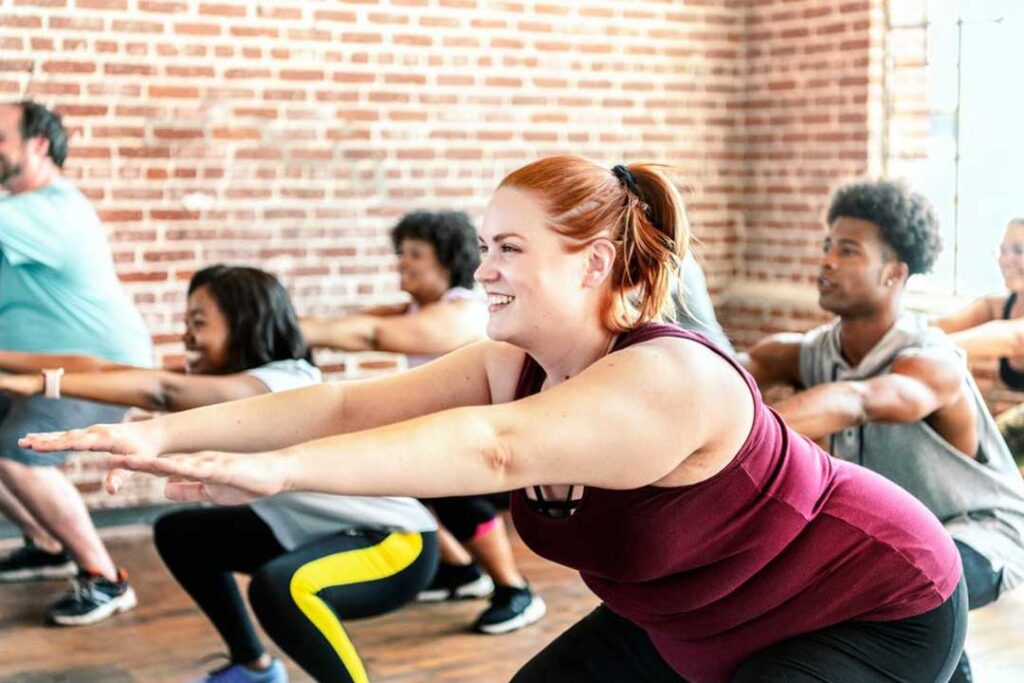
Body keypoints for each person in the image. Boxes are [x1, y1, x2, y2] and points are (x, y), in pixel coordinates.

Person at [24, 156, 967, 683]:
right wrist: (162, 435)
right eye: (486, 247)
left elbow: (494, 446)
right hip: (698, 614)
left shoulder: (670, 377)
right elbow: (351, 397)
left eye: (510, 248)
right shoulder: (513, 363)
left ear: (595, 263)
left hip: (867, 602)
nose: (487, 270)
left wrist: (277, 471)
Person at [2, 264, 439, 683]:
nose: (186, 335)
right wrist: (16, 366)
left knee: (280, 588)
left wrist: (42, 386)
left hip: (392, 545)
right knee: (182, 534)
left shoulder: (280, 383)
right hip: (314, 533)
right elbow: (106, 370)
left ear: (245, 325)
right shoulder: (235, 383)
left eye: (199, 322)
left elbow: (160, 389)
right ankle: (253, 670)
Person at [744, 180, 1024, 683]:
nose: (827, 260)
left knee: (901, 585)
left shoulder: (931, 362)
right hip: (895, 541)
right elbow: (741, 368)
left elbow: (858, 399)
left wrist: (739, 435)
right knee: (885, 583)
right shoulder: (812, 351)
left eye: (847, 251)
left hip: (981, 531)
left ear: (895, 273)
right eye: (828, 246)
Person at [302, 210, 545, 634]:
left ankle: (516, 590)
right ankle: (460, 572)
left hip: (491, 443)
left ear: (446, 261)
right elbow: (353, 323)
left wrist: (290, 329)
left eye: (415, 253)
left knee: (449, 493)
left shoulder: (463, 312)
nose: (402, 262)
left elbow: (371, 335)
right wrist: (284, 325)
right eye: (401, 252)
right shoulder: (416, 307)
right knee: (394, 481)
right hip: (446, 436)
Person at [0, 99, 152, 625]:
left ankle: (105, 579)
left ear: (36, 145)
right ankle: (46, 543)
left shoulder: (48, 209)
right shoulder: (18, 217)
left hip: (99, 370)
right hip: (40, 369)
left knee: (16, 454)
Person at [933, 217, 1024, 468]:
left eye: (1018, 251)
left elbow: (1014, 338)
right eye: (1003, 250)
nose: (1007, 259)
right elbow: (942, 325)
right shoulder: (997, 305)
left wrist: (931, 348)